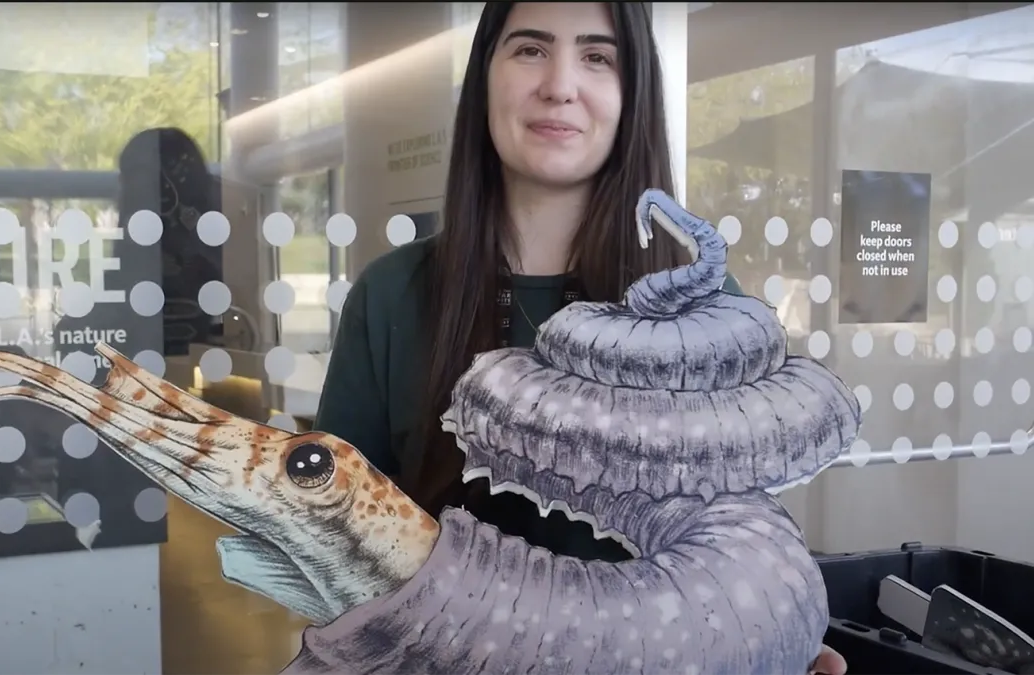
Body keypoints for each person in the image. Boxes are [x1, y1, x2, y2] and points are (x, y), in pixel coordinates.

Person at [314, 4, 847, 674]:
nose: (560, 85)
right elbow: (335, 542)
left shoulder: (708, 315)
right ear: (484, 77)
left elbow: (735, 550)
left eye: (598, 57)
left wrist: (771, 636)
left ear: (632, 94)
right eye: (530, 50)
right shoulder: (391, 295)